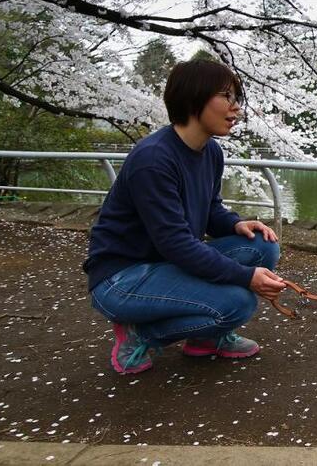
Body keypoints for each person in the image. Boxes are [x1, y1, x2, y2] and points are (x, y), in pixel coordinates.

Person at [84, 59, 286, 374]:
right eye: (227, 97)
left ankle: (205, 339)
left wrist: (233, 223)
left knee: (263, 246)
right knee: (239, 303)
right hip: (122, 277)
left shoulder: (211, 152)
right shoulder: (154, 159)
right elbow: (176, 243)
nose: (236, 109)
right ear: (194, 98)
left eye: (237, 99)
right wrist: (246, 277)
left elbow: (209, 210)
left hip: (166, 262)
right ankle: (139, 335)